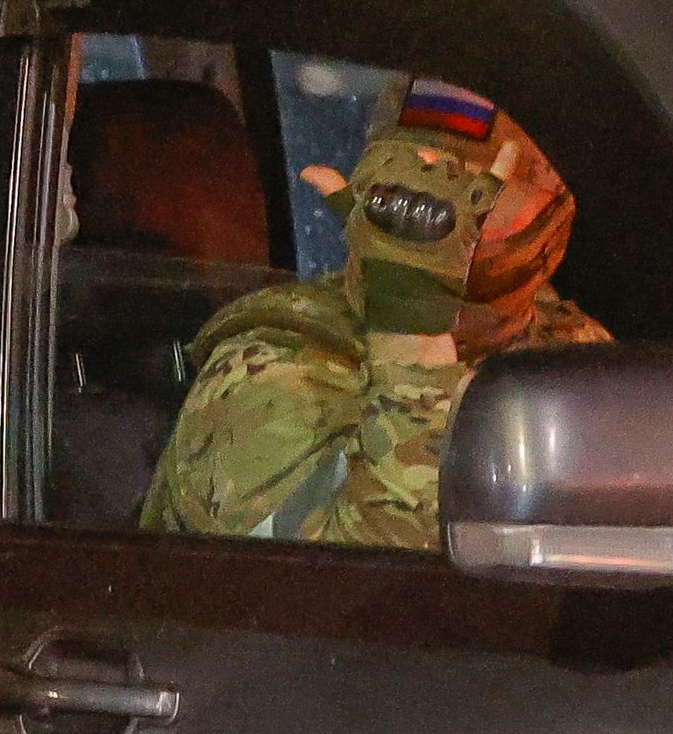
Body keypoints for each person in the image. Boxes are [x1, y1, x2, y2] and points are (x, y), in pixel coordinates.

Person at [143, 80, 606, 551]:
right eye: (407, 180)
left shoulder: (567, 348)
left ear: (551, 212)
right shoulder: (274, 376)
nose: (443, 210)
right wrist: (411, 329)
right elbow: (356, 597)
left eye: (478, 187)